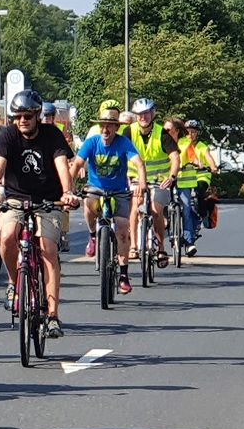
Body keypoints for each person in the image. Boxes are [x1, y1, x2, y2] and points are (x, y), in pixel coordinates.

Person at [0, 90, 80, 337]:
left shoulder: (52, 134)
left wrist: (67, 192)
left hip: (48, 200)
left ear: (37, 116)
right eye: (17, 116)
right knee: (7, 237)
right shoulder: (7, 135)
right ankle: (14, 281)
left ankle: (53, 315)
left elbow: (61, 164)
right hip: (15, 199)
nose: (22, 120)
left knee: (47, 249)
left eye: (27, 116)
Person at [70, 101, 146, 295]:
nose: (105, 129)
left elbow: (138, 163)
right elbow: (77, 164)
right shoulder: (92, 142)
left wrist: (142, 184)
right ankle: (93, 236)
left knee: (122, 228)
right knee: (88, 203)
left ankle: (123, 274)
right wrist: (68, 187)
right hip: (96, 188)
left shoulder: (123, 143)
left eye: (109, 126)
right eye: (102, 125)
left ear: (115, 128)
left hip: (119, 190)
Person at [126, 98, 180, 267]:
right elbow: (119, 153)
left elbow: (175, 157)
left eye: (146, 113)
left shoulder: (161, 133)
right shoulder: (129, 132)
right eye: (140, 114)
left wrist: (171, 176)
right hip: (135, 179)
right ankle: (134, 246)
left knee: (156, 211)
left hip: (159, 182)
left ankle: (161, 247)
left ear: (153, 114)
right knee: (135, 206)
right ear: (136, 116)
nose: (143, 117)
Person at [177, 119, 219, 256]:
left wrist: (213, 167)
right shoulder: (181, 143)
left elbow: (208, 157)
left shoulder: (201, 146)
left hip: (200, 176)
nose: (191, 134)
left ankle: (202, 215)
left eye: (194, 132)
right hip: (183, 177)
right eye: (188, 131)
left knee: (200, 194)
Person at [42, 102, 74, 252]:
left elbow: (68, 151)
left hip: (59, 170)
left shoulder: (60, 130)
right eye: (44, 116)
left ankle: (64, 233)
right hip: (44, 173)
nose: (46, 119)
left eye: (49, 116)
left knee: (64, 202)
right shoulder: (37, 131)